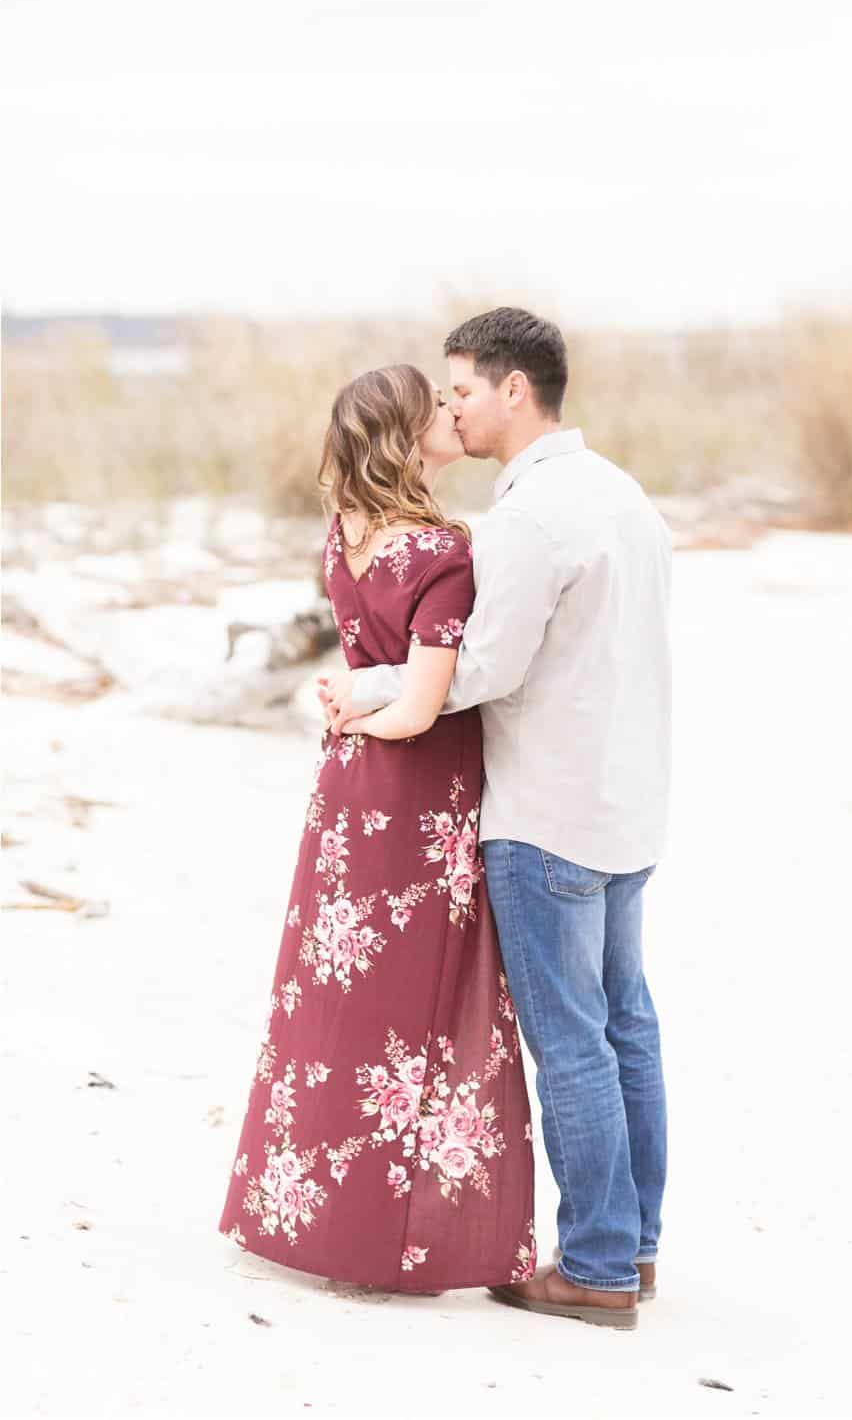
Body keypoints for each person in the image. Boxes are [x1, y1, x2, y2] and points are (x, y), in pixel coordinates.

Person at [323, 308, 672, 1331]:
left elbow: (481, 667)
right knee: (625, 1031)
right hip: (630, 801)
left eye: (463, 391)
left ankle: (598, 1263)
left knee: (572, 1043)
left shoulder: (529, 519)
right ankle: (634, 1246)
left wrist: (367, 679)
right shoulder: (622, 494)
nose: (455, 411)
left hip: (547, 811)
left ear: (514, 389)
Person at [218, 363, 536, 1293]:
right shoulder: (442, 550)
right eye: (433, 406)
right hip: (414, 802)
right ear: (404, 437)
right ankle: (390, 1240)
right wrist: (366, 710)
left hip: (347, 795)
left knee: (334, 1006)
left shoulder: (341, 537)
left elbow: (374, 674)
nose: (450, 411)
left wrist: (347, 708)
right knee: (417, 1015)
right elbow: (418, 707)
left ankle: (315, 1218)